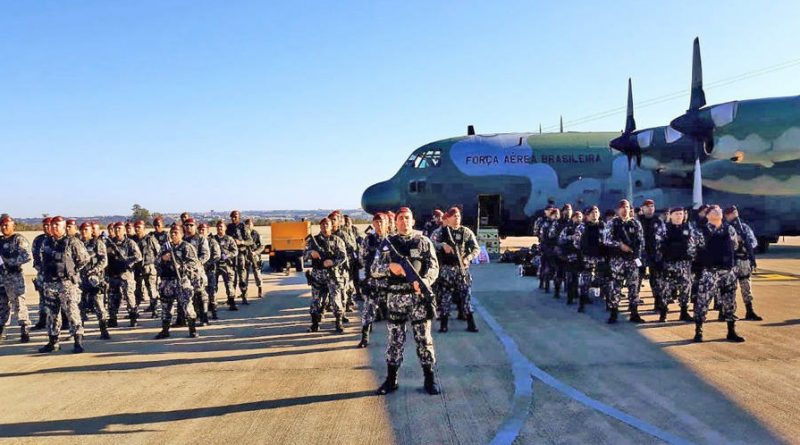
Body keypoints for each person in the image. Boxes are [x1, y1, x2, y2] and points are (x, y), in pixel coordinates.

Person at [373, 208, 440, 396]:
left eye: (407, 218)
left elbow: (434, 266)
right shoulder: (387, 244)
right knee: (395, 340)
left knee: (424, 340)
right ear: (396, 222)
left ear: (413, 221)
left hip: (418, 299)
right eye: (400, 218)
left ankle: (429, 379)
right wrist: (389, 267)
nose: (404, 221)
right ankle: (391, 380)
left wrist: (426, 281)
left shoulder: (424, 242)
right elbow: (374, 269)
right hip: (396, 298)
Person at [38, 216, 90, 353]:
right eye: (52, 225)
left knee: (72, 312)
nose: (54, 227)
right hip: (50, 283)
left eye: (57, 225)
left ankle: (78, 341)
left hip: (66, 283)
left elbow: (84, 260)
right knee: (51, 314)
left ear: (63, 227)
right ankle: (53, 342)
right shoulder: (46, 243)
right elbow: (42, 259)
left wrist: (72, 271)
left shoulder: (72, 242)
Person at [694, 205, 745, 343]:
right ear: (707, 215)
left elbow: (734, 246)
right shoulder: (701, 231)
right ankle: (698, 331)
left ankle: (731, 331)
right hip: (710, 272)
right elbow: (695, 250)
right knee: (703, 301)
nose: (717, 211)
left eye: (719, 210)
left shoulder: (729, 229)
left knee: (730, 302)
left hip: (728, 271)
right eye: (713, 210)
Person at [430, 207, 480, 333]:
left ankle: (471, 323)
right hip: (447, 269)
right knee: (445, 297)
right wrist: (443, 245)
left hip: (462, 269)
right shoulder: (441, 231)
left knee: (466, 296)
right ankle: (444, 324)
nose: (457, 218)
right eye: (454, 216)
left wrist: (468, 257)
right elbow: (430, 243)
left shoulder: (466, 232)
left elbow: (476, 249)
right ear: (448, 218)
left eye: (458, 216)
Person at [602, 199, 645, 324]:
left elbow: (641, 241)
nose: (624, 209)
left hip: (632, 260)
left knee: (634, 287)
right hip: (617, 260)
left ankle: (634, 313)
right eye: (622, 207)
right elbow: (606, 240)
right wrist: (619, 245)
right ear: (617, 210)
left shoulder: (635, 223)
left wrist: (638, 256)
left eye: (627, 207)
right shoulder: (612, 223)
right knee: (615, 287)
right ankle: (614, 313)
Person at [154, 224, 200, 339]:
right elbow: (156, 262)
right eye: (171, 233)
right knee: (166, 307)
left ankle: (192, 329)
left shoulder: (187, 247)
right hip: (166, 281)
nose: (173, 235)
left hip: (181, 280)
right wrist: (162, 259)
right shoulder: (165, 247)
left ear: (182, 234)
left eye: (176, 233)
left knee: (187, 305)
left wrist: (181, 266)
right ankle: (165, 330)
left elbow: (194, 263)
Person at [304, 217, 348, 333]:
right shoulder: (314, 240)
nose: (325, 226)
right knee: (316, 300)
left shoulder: (337, 240)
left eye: (327, 224)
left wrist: (332, 262)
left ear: (331, 225)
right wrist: (310, 253)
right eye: (323, 224)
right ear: (320, 226)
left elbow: (343, 256)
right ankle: (314, 324)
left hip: (332, 275)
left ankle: (338, 323)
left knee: (336, 300)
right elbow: (304, 255)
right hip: (318, 275)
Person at [655, 208, 699, 323]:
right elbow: (658, 245)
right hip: (668, 263)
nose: (679, 216)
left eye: (681, 214)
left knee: (685, 288)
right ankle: (663, 313)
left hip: (684, 264)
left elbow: (693, 245)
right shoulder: (664, 228)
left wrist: (693, 260)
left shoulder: (688, 227)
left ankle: (684, 312)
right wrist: (660, 262)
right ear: (671, 215)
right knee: (665, 289)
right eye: (676, 214)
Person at [724, 206, 762, 321]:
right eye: (731, 213)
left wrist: (746, 241)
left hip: (744, 261)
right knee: (730, 288)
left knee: (746, 287)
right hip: (732, 261)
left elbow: (754, 242)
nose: (734, 215)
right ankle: (726, 313)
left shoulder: (744, 227)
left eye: (735, 212)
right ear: (726, 216)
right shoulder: (725, 228)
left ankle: (749, 311)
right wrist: (736, 240)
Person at [0, 215, 33, 342]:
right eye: (2, 225)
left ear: (13, 226)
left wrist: (11, 262)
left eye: (7, 225)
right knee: (2, 305)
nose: (4, 227)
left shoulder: (18, 239)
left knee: (19, 304)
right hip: (1, 278)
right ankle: (2, 330)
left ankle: (24, 330)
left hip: (15, 277)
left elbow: (27, 256)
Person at [358, 213, 388, 347]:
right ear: (373, 224)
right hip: (373, 280)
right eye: (377, 222)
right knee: (368, 308)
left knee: (394, 311)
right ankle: (364, 337)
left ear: (386, 223)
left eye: (382, 222)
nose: (379, 224)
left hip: (389, 281)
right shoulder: (368, 240)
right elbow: (362, 258)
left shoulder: (392, 240)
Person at [106, 221, 143, 327]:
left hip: (126, 273)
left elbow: (138, 256)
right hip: (113, 274)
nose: (117, 231)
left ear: (124, 230)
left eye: (119, 229)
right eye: (115, 229)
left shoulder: (129, 243)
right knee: (113, 297)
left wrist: (126, 261)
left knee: (129, 295)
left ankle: (133, 317)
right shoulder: (109, 243)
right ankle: (112, 318)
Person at [79, 222, 111, 339]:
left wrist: (94, 270)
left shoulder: (98, 243)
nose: (84, 232)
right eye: (82, 230)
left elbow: (104, 260)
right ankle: (79, 333)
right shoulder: (77, 243)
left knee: (99, 306)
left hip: (94, 279)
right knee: (79, 306)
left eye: (86, 230)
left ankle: (103, 330)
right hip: (80, 280)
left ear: (91, 231)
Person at [574, 206, 605, 313]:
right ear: (586, 215)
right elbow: (576, 243)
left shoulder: (603, 226)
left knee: (604, 279)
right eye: (591, 212)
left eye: (596, 212)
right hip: (587, 258)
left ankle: (605, 298)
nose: (594, 214)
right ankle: (583, 301)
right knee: (585, 281)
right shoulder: (581, 227)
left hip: (601, 257)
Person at [639, 199, 666, 314]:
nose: (650, 208)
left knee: (656, 280)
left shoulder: (658, 221)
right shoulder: (638, 221)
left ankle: (658, 302)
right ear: (642, 208)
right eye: (647, 206)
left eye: (652, 206)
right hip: (640, 255)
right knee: (637, 279)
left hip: (655, 255)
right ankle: (633, 304)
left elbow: (664, 236)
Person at [133, 220, 161, 316]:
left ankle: (154, 309)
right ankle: (134, 310)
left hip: (149, 267)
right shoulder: (133, 240)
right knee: (137, 290)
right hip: (137, 268)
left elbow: (158, 252)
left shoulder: (150, 239)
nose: (137, 229)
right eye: (135, 227)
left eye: (139, 227)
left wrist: (158, 266)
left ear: (143, 228)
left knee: (152, 289)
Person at [227, 210, 254, 305]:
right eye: (232, 217)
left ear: (239, 217)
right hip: (231, 255)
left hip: (241, 254)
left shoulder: (243, 227)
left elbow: (250, 241)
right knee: (231, 278)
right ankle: (231, 298)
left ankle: (244, 296)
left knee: (242, 277)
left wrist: (241, 242)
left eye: (235, 216)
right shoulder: (229, 227)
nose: (233, 218)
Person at [30, 217, 52, 330]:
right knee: (42, 298)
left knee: (57, 298)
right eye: (44, 225)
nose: (46, 227)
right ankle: (42, 320)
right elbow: (35, 255)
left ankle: (64, 321)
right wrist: (39, 268)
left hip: (54, 274)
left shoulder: (57, 239)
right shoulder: (38, 239)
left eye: (48, 225)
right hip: (42, 273)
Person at [558, 210, 583, 306]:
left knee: (578, 277)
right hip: (570, 255)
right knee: (570, 277)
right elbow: (561, 240)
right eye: (576, 216)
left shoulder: (584, 227)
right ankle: (570, 297)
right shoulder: (567, 229)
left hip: (581, 256)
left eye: (580, 216)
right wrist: (570, 237)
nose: (578, 218)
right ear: (573, 218)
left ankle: (578, 295)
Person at [213, 220, 239, 311]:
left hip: (226, 265)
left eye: (221, 226)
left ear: (225, 228)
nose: (219, 228)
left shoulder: (229, 239)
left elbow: (235, 251)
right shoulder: (212, 239)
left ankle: (231, 302)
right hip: (214, 265)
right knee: (213, 285)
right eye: (218, 226)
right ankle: (212, 304)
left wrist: (227, 255)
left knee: (229, 284)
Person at [199, 223, 222, 320]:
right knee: (201, 292)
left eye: (203, 229)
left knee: (211, 291)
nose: (201, 231)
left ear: (207, 230)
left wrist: (207, 264)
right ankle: (202, 313)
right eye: (199, 229)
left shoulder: (212, 241)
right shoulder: (197, 241)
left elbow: (217, 255)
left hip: (210, 270)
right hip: (199, 272)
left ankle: (214, 311)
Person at [244, 218, 264, 298]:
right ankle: (244, 292)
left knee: (257, 274)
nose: (248, 226)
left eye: (250, 224)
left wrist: (255, 253)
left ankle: (260, 290)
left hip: (255, 256)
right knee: (244, 275)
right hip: (245, 256)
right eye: (247, 224)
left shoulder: (256, 234)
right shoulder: (243, 234)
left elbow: (262, 246)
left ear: (253, 225)